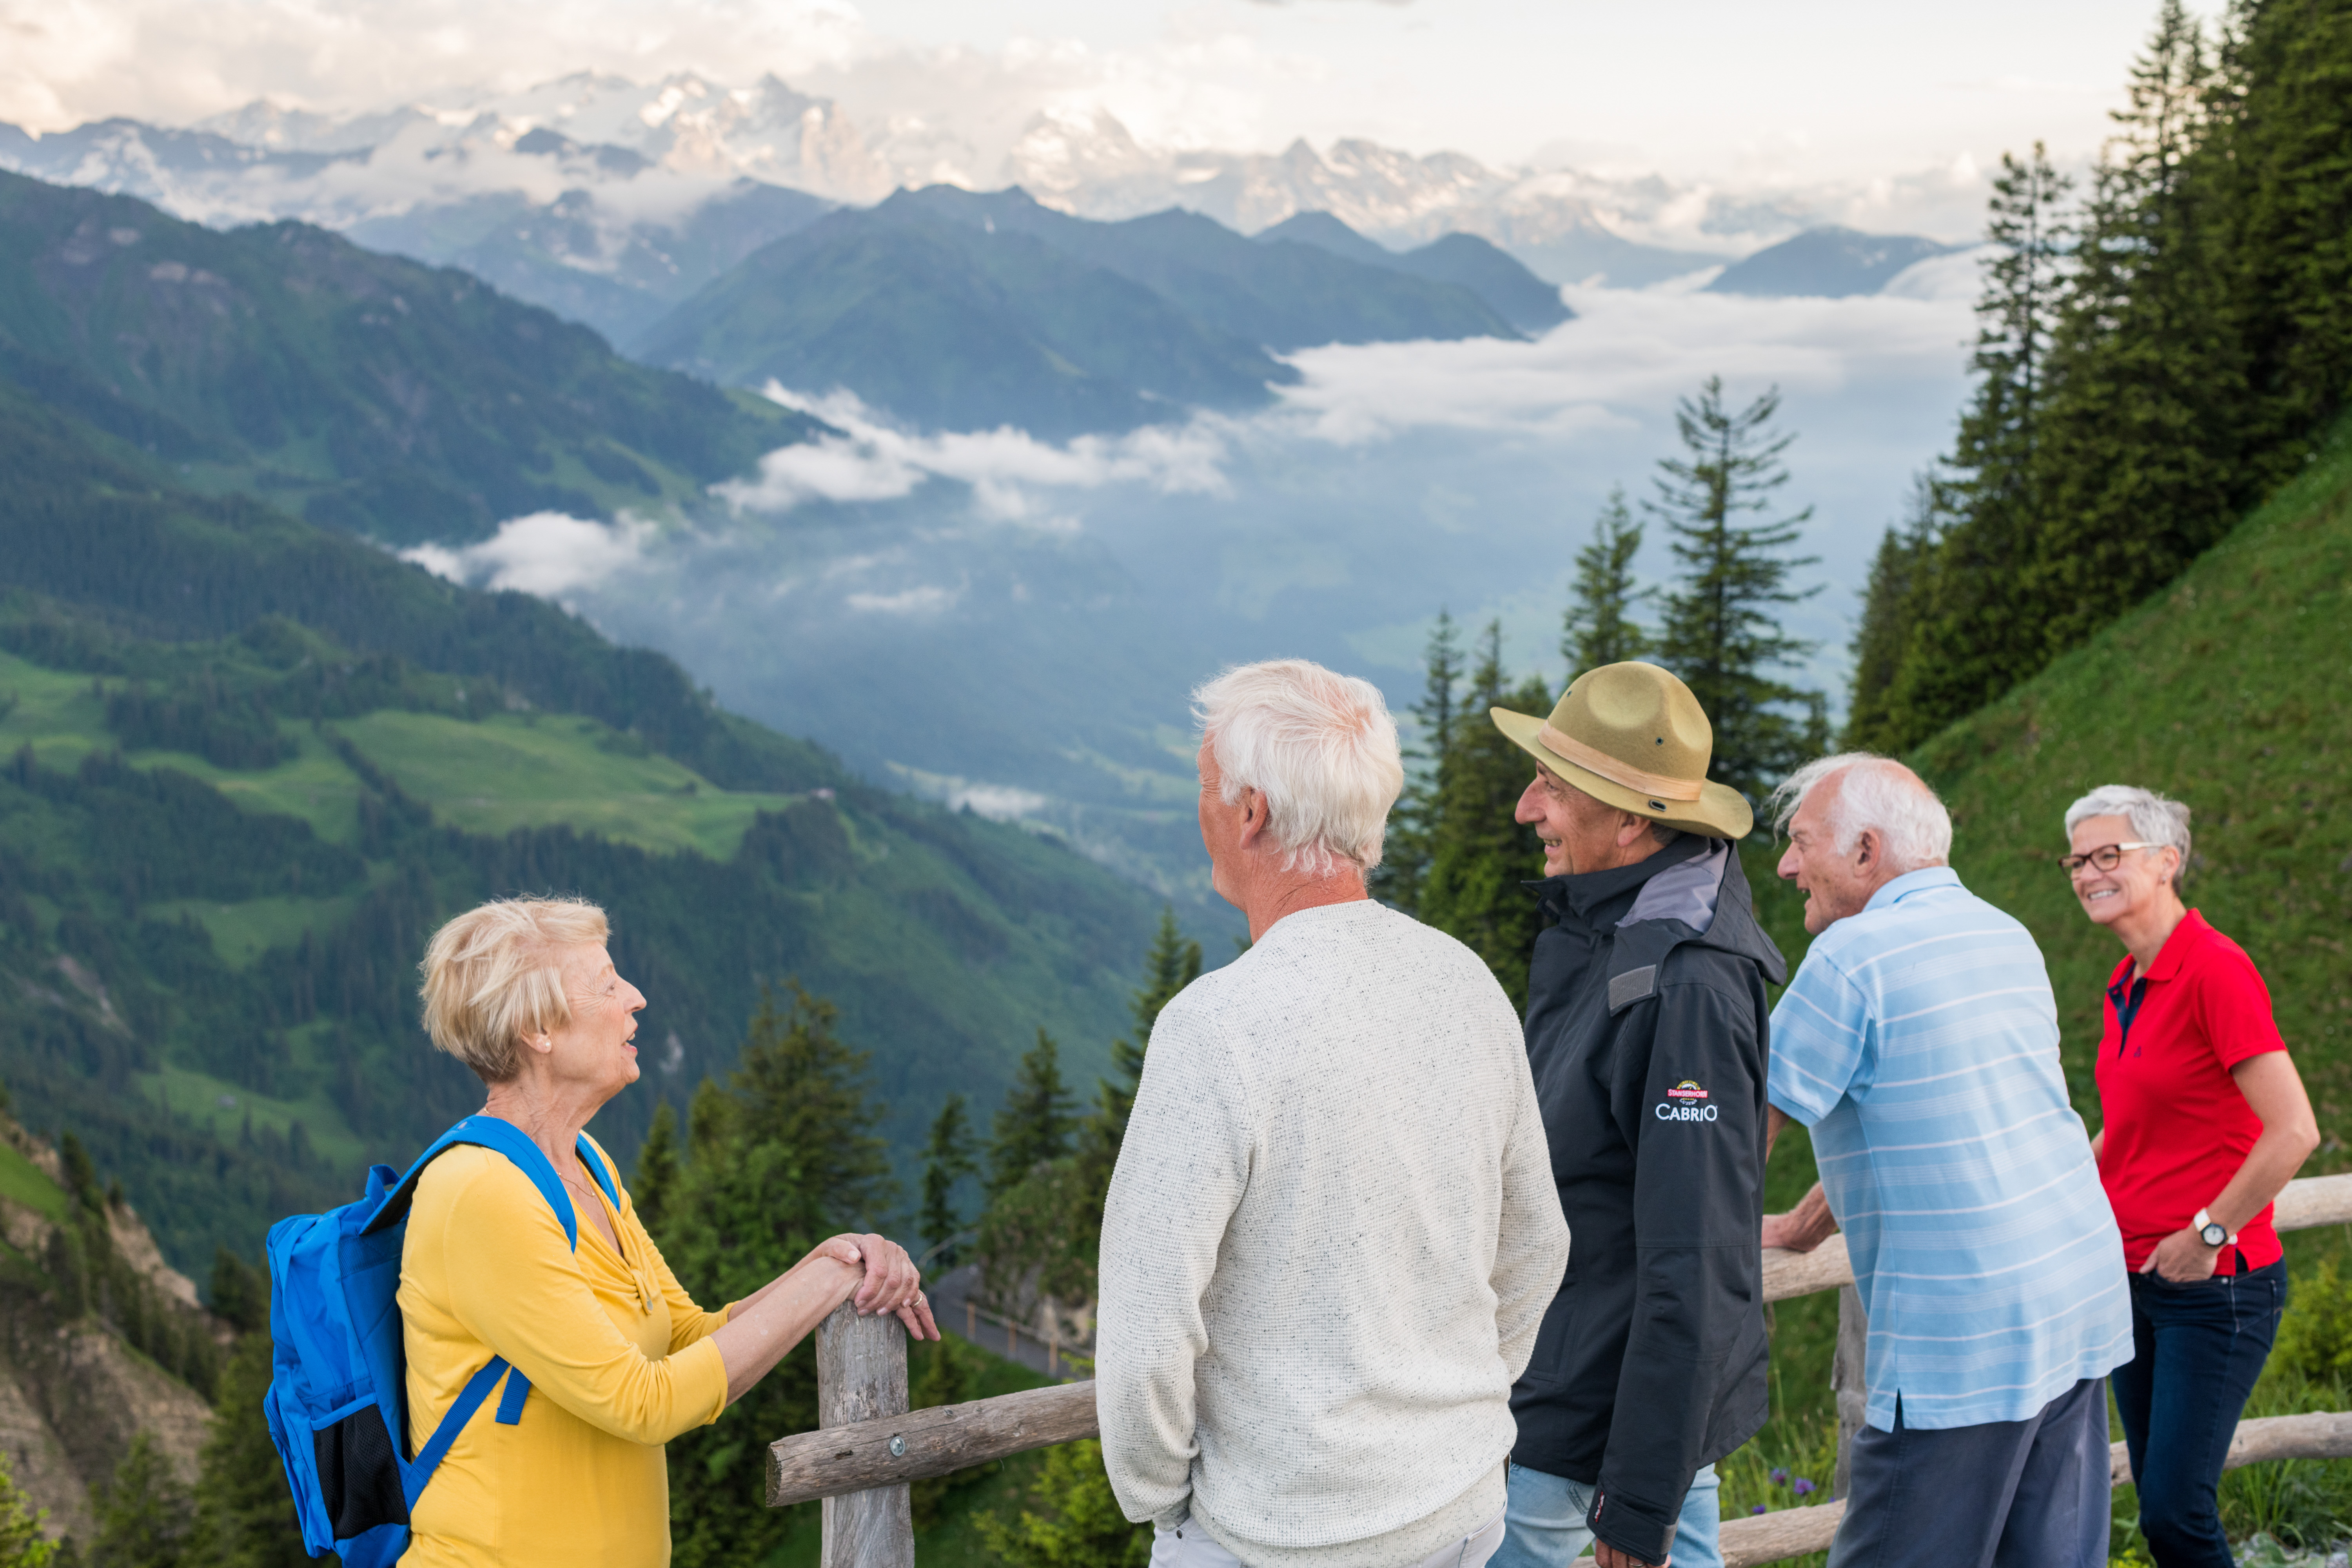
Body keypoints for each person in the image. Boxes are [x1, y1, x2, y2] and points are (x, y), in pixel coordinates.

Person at [1097, 659, 1570, 1568]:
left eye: (1205, 783)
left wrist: (1166, 1502)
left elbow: (1147, 1339)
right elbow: (1537, 1243)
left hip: (1278, 1533)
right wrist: (1455, 1408)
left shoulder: (1213, 1027)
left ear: (1250, 811)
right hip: (1461, 1508)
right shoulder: (1465, 982)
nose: (1200, 806)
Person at [404, 897, 938, 1568]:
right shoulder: (480, 1192)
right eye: (607, 984)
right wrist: (830, 1281)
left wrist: (831, 1263)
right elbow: (643, 1402)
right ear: (538, 1029)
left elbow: (686, 1338)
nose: (636, 997)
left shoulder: (584, 1164)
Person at [1760, 754, 2131, 1568]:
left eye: (1801, 842)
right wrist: (1802, 1223)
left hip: (1963, 1334)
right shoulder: (2003, 931)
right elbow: (1957, 1117)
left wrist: (1671, 1244)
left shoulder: (1851, 956)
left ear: (1866, 849)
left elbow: (1743, 1130)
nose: (1787, 866)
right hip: (2076, 1298)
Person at [1486, 661, 1787, 1568]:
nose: (1527, 809)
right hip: (1620, 1400)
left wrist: (1640, 1493)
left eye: (1552, 785)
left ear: (1629, 820)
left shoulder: (1684, 986)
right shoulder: (1615, 931)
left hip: (1583, 1418)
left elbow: (1697, 1252)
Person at [2065, 785, 2318, 1567]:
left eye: (2109, 854)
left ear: (2167, 860)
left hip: (2214, 1287)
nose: (2088, 873)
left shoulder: (2215, 969)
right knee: (2159, 1503)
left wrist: (2207, 1234)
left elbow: (2295, 1130)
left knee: (2178, 1514)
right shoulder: (2126, 982)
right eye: (2077, 860)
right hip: (2133, 1280)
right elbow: (2127, 1128)